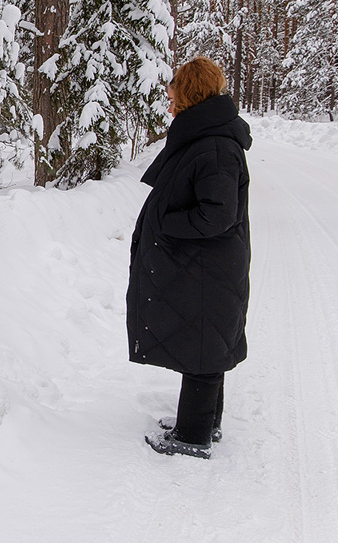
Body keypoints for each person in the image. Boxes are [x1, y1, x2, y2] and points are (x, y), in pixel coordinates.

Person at [129, 56, 252, 459]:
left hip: (207, 266)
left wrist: (166, 222)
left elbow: (217, 214)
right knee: (204, 341)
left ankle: (193, 436)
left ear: (189, 94)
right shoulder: (206, 136)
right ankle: (203, 423)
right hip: (205, 265)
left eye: (173, 94)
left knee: (203, 345)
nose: (168, 102)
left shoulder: (214, 145)